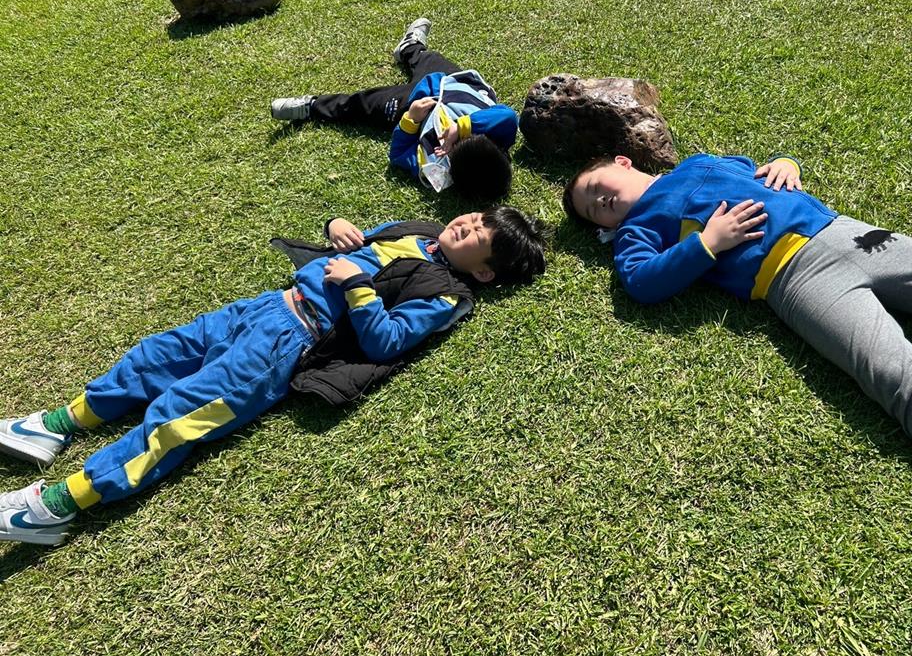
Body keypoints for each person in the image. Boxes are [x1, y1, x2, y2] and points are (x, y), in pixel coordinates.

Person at [564, 152, 912, 581]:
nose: (599, 201)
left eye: (595, 187)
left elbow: (754, 166)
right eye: (592, 210)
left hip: (846, 234)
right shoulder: (637, 228)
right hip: (797, 279)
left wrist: (786, 163)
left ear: (623, 162)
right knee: (900, 377)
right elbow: (641, 281)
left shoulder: (699, 161)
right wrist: (707, 243)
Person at [0, 208, 546, 546]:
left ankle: (61, 504)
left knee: (179, 415)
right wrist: (336, 228)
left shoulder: (447, 294)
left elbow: (387, 341)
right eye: (476, 217)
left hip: (288, 343)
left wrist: (356, 285)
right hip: (265, 306)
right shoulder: (421, 229)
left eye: (480, 235)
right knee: (154, 357)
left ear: (484, 271)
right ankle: (56, 425)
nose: (468, 224)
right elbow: (357, 244)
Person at [271, 19, 517, 200]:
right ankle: (409, 47)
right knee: (428, 59)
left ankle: (312, 106)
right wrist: (462, 128)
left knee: (362, 104)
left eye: (454, 146)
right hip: (450, 83)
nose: (453, 140)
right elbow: (508, 116)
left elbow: (399, 154)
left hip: (413, 105)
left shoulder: (433, 166)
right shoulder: (498, 135)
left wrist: (411, 119)